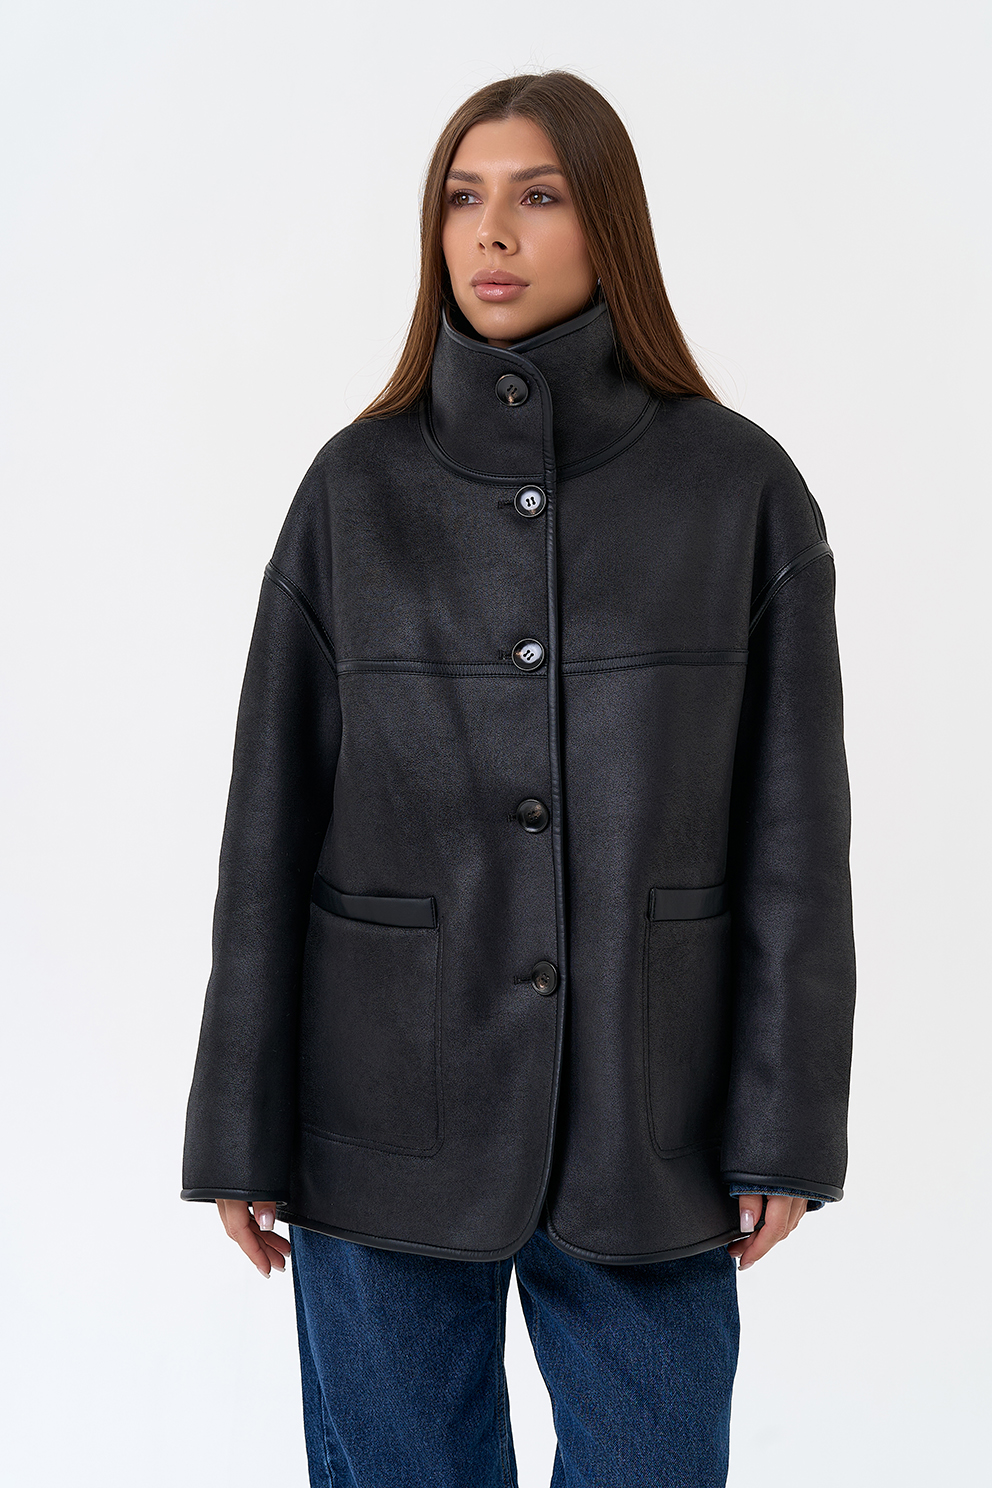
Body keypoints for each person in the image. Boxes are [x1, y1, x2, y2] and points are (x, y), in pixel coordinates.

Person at [181, 70, 856, 1487]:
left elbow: (797, 843)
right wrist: (237, 1127)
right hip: (378, 1106)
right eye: (462, 199)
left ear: (609, 226)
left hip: (651, 1113)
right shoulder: (352, 491)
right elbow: (265, 830)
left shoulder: (740, 490)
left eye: (538, 196)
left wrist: (784, 1127)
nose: (491, 234)